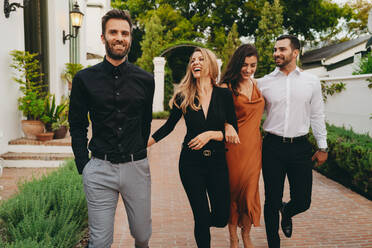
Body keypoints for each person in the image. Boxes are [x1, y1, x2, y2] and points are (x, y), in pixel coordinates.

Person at [68, 9, 154, 248]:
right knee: (99, 242)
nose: (120, 37)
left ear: (130, 39)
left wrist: (137, 152)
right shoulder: (84, 79)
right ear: (103, 37)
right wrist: (84, 165)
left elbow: (145, 121)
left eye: (125, 33)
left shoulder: (145, 80)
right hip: (99, 169)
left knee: (142, 234)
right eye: (113, 32)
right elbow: (77, 124)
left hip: (136, 168)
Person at [147, 47, 238, 248]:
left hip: (217, 162)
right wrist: (143, 144)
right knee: (201, 218)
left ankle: (205, 220)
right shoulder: (184, 95)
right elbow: (168, 127)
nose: (195, 62)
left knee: (222, 217)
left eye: (200, 59)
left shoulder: (224, 95)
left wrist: (212, 134)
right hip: (191, 163)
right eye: (193, 60)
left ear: (210, 65)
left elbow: (234, 130)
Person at [257, 34, 328, 248]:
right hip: (272, 147)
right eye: (275, 49)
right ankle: (273, 244)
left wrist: (322, 146)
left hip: (300, 147)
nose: (276, 53)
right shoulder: (263, 83)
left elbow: (317, 115)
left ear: (295, 53)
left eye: (282, 49)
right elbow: (250, 113)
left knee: (303, 201)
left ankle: (287, 212)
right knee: (271, 201)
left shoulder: (311, 81)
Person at [220, 44, 265, 248]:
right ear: (237, 64)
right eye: (244, 65)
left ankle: (246, 235)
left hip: (254, 149)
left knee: (250, 193)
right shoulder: (226, 88)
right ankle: (233, 237)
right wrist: (227, 124)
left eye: (253, 65)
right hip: (233, 149)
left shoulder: (258, 85)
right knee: (234, 192)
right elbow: (216, 116)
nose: (248, 69)